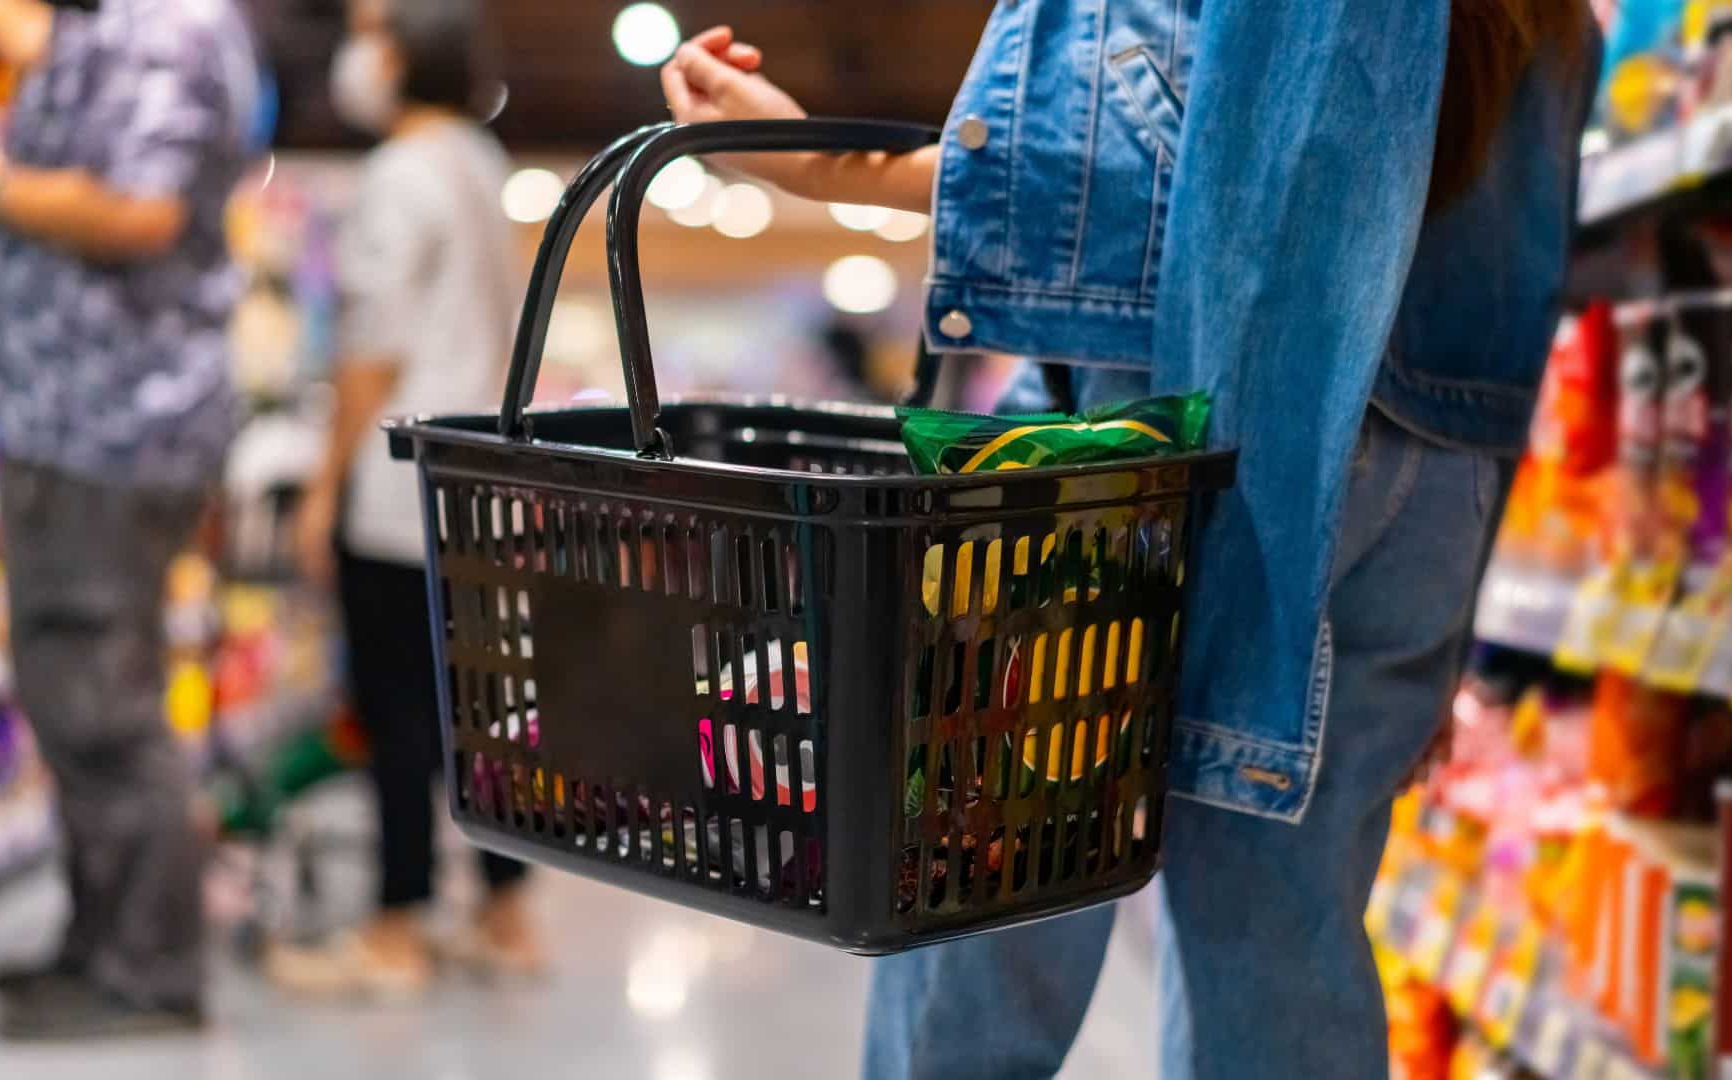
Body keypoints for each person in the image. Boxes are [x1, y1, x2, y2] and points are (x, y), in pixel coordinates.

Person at [661, 5, 1598, 1077]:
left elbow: (1155, 178)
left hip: (1141, 433)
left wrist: (836, 166)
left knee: (986, 901)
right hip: (1424, 477)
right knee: (1283, 938)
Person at [0, 0, 259, 1041]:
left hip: (108, 424)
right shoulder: (117, 26)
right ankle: (102, 947)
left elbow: (141, 209)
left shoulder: (168, 26)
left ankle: (144, 970)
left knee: (99, 699)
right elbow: (27, 41)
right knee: (77, 696)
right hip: (89, 420)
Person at [278, 0, 543, 997]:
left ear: (411, 52)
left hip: (398, 483)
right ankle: (508, 911)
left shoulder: (397, 172)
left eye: (376, 32)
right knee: (477, 705)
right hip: (479, 487)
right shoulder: (483, 163)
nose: (361, 53)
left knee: (395, 713)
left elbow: (371, 352)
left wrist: (322, 486)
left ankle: (395, 925)